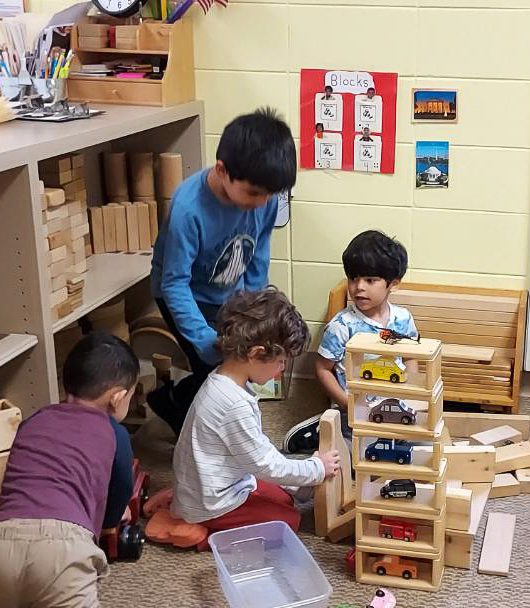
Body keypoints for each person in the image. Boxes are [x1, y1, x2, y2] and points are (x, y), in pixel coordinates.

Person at [0, 333, 140, 608]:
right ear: (117, 397)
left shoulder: (35, 420)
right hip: (62, 548)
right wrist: (112, 521)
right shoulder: (114, 434)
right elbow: (119, 491)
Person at [147, 108, 295, 436]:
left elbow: (258, 251)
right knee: (216, 371)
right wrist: (203, 339)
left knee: (235, 366)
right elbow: (175, 284)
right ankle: (174, 406)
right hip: (184, 293)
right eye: (254, 193)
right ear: (222, 170)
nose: (262, 202)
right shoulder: (189, 210)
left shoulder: (266, 198)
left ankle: (173, 402)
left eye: (270, 195)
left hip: (229, 293)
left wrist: (256, 309)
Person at [167, 288, 342, 543]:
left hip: (221, 483)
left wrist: (306, 472)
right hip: (211, 504)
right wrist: (315, 468)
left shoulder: (225, 380)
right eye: (280, 361)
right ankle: (202, 533)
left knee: (284, 497)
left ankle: (189, 512)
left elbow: (256, 453)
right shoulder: (232, 403)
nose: (281, 369)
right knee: (288, 521)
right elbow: (264, 464)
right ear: (256, 353)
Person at [284, 230, 415, 453]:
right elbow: (322, 369)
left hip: (392, 407)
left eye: (370, 280)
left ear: (393, 283)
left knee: (406, 453)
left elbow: (411, 356)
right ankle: (319, 430)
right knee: (351, 462)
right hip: (352, 410)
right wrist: (347, 404)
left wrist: (409, 391)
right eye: (353, 278)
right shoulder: (342, 325)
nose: (359, 287)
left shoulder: (403, 319)